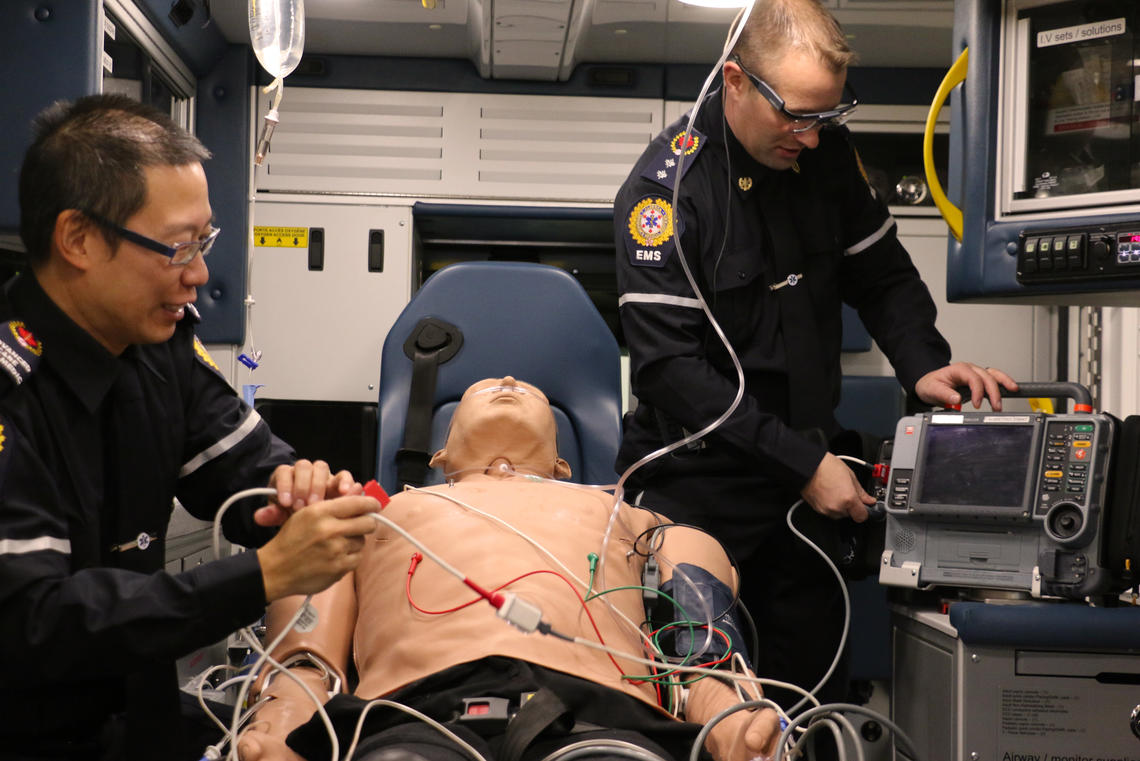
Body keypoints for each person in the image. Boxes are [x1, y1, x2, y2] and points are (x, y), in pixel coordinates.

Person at [613, 0, 1018, 710]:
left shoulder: (825, 158)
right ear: (735, 81)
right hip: (698, 491)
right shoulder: (667, 194)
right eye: (795, 115)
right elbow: (669, 372)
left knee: (810, 706)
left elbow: (883, 273)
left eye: (825, 116)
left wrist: (921, 360)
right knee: (697, 709)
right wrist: (804, 465)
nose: (810, 134)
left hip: (804, 490)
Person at [0, 94, 380, 760]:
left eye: (204, 242)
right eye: (178, 248)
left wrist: (293, 492)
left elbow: (242, 466)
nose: (200, 275)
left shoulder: (158, 348)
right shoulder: (13, 388)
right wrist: (261, 577)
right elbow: (34, 623)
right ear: (79, 239)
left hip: (141, 721)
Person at [237, 376, 780, 761]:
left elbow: (701, 628)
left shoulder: (623, 514)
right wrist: (287, 711)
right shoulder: (382, 511)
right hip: (414, 715)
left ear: (563, 466)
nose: (508, 379)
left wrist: (720, 705)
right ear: (439, 457)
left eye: (531, 392)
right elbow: (308, 642)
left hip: (602, 717)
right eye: (479, 389)